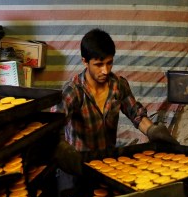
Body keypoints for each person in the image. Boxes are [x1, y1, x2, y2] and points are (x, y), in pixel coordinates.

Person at [52, 28, 178, 188]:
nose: (105, 70)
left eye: (109, 63)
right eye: (98, 65)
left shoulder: (118, 85)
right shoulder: (73, 91)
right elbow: (54, 125)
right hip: (77, 167)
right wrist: (64, 151)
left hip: (107, 163)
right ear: (85, 61)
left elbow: (135, 114)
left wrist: (153, 130)